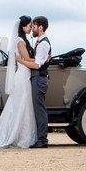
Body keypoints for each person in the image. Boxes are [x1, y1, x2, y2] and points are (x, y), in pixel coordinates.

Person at [0, 16, 38, 149]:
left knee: (21, 104)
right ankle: (20, 136)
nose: (30, 28)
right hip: (23, 75)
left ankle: (19, 133)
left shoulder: (19, 40)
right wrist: (42, 60)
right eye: (29, 26)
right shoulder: (20, 41)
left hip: (22, 73)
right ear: (23, 26)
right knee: (22, 104)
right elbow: (27, 59)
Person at [29, 16, 51, 147]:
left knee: (39, 110)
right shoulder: (40, 42)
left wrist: (21, 61)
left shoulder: (43, 44)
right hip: (38, 78)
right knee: (38, 109)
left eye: (34, 26)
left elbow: (37, 65)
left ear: (40, 27)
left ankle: (42, 139)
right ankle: (40, 138)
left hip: (39, 78)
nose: (32, 29)